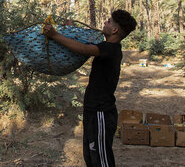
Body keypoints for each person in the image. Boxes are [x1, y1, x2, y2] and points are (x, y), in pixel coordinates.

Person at [43, 10, 137, 167]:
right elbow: (84, 43)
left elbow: (84, 49)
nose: (105, 23)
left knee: (101, 159)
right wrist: (72, 31)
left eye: (108, 21)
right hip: (94, 110)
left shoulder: (110, 49)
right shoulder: (107, 47)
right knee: (92, 156)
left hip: (101, 112)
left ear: (114, 30)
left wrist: (55, 35)